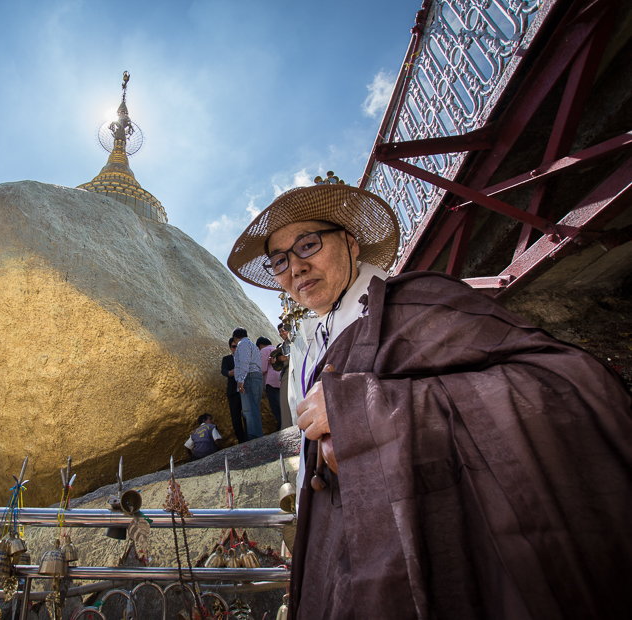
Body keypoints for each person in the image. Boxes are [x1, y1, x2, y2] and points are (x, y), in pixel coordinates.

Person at [226, 177, 632, 618]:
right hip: (346, 557)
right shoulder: (307, 343)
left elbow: (565, 383)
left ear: (350, 242)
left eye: (307, 245)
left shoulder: (417, 302)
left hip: (446, 544)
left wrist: (366, 412)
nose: (295, 269)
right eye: (279, 260)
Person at [231, 327, 264, 441]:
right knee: (254, 408)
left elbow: (245, 362)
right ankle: (258, 437)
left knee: (249, 410)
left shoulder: (242, 344)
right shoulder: (252, 345)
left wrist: (241, 380)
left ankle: (255, 439)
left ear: (235, 338)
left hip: (249, 378)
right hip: (257, 377)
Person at [220, 337, 247, 443]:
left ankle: (249, 438)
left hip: (244, 392)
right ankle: (242, 441)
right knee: (236, 418)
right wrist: (229, 373)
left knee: (247, 416)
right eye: (233, 347)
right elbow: (223, 370)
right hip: (233, 392)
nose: (236, 349)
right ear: (230, 348)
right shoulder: (227, 359)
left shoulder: (245, 359)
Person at [256, 336, 282, 431]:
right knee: (281, 405)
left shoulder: (264, 350)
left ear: (261, 345)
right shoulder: (275, 349)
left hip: (271, 381)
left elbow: (263, 368)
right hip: (280, 380)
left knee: (275, 407)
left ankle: (281, 426)